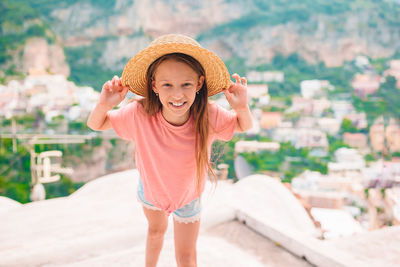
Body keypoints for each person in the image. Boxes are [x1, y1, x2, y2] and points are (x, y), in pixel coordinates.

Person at [87, 34, 252, 267]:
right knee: (155, 233)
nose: (177, 94)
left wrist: (242, 107)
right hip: (153, 192)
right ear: (154, 86)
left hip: (189, 196)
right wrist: (104, 103)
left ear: (199, 83)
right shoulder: (139, 113)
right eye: (167, 85)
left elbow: (244, 125)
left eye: (186, 84)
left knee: (186, 256)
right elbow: (96, 123)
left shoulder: (209, 114)